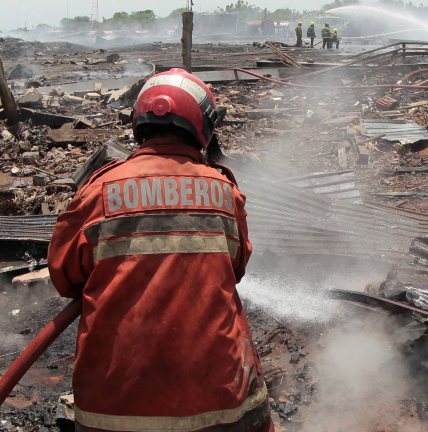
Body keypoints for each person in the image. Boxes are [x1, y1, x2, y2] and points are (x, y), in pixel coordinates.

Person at [48, 68, 273, 432]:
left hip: (113, 406)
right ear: (202, 126)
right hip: (217, 403)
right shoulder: (223, 192)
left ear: (140, 122)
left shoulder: (98, 191)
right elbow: (237, 267)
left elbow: (65, 276)